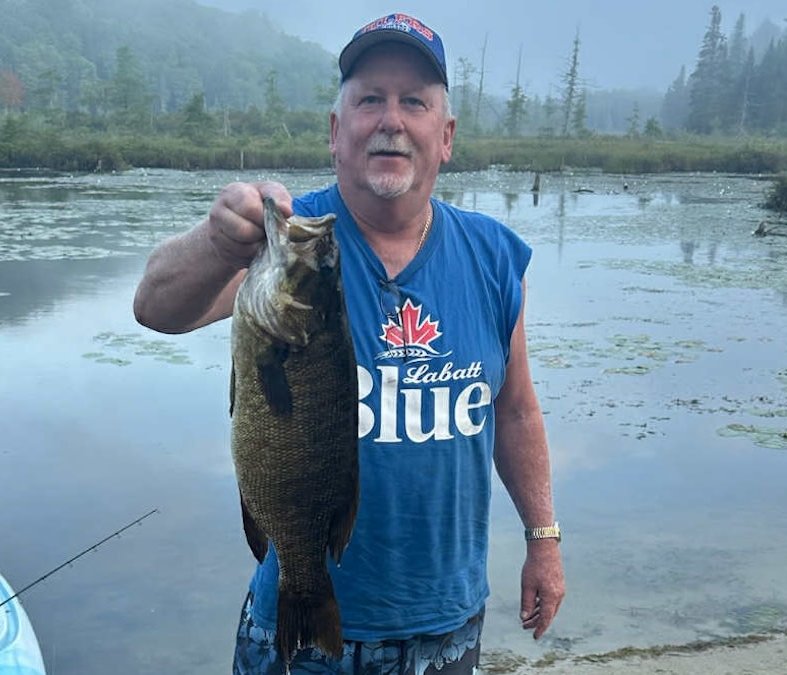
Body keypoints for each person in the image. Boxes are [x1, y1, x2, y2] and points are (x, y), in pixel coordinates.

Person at [133, 12, 564, 674]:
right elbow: (156, 308)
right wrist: (217, 242)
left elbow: (516, 411)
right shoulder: (287, 243)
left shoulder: (496, 256)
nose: (391, 120)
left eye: (414, 101)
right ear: (337, 132)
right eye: (369, 100)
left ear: (446, 137)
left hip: (446, 624)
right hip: (295, 625)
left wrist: (543, 539)